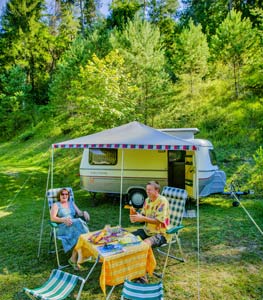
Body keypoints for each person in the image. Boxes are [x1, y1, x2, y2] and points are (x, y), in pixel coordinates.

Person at [50, 188, 90, 269]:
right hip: (63, 226)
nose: (64, 196)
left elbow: (79, 213)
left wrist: (84, 212)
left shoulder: (71, 203)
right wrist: (63, 219)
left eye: (66, 194)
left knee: (79, 232)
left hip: (74, 224)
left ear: (68, 196)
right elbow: (52, 218)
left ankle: (73, 258)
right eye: (62, 194)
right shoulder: (56, 205)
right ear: (59, 196)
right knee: (80, 226)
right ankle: (86, 255)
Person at [130, 181, 170, 248]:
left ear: (156, 190)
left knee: (144, 245)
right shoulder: (147, 200)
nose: (147, 191)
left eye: (149, 190)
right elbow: (142, 217)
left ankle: (142, 258)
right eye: (147, 189)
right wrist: (136, 217)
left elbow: (158, 221)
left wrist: (143, 218)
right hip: (147, 231)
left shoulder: (162, 201)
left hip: (160, 234)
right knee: (129, 238)